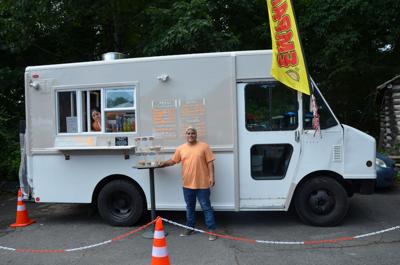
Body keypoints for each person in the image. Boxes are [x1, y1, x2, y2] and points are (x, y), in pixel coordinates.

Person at [161, 127, 217, 241]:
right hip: (187, 185)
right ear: (185, 135)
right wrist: (162, 164)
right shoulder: (181, 148)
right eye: (188, 133)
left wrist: (212, 177)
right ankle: (190, 227)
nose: (190, 135)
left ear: (196, 135)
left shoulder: (204, 146)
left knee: (206, 208)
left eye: (193, 133)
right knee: (190, 207)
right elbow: (173, 161)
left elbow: (210, 163)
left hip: (203, 184)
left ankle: (212, 230)